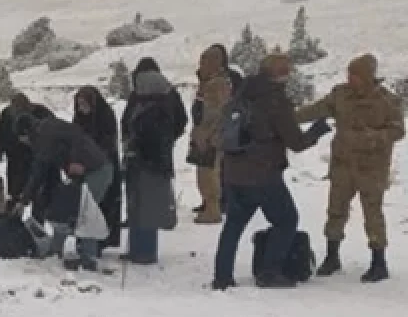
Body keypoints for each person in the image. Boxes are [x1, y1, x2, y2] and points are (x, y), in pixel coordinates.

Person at [213, 54, 330, 290]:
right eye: (286, 69)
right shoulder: (275, 100)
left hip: (234, 171)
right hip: (263, 173)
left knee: (234, 224)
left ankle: (222, 276)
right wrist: (318, 130)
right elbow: (295, 141)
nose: (289, 73)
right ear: (278, 73)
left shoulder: (241, 94)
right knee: (286, 220)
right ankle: (270, 271)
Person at [295, 54, 405, 283]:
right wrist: (288, 118)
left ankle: (378, 261)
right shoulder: (340, 95)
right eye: (349, 74)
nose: (350, 79)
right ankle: (332, 256)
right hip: (343, 165)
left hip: (371, 168)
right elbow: (316, 110)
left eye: (355, 75)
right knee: (335, 211)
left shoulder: (387, 101)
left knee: (372, 214)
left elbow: (398, 131)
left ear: (367, 77)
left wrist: (373, 138)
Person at [12, 114, 113, 271]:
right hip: (86, 171)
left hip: (97, 171)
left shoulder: (44, 136)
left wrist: (75, 160)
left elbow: (39, 171)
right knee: (68, 210)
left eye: (22, 139)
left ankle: (88, 257)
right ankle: (58, 251)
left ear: (27, 132)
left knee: (86, 212)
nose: (24, 143)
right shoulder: (47, 128)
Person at [120, 67, 185, 264]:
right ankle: (136, 248)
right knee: (137, 208)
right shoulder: (147, 105)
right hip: (141, 165)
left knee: (147, 210)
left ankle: (145, 252)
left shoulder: (158, 110)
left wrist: (136, 148)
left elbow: (155, 141)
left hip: (151, 167)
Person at [188, 46, 236, 224]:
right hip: (204, 135)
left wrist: (207, 135)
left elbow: (216, 113)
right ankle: (209, 206)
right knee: (204, 174)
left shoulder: (218, 84)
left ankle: (212, 209)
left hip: (209, 138)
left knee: (209, 175)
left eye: (204, 61)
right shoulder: (209, 82)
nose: (201, 65)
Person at [71, 86, 122, 249]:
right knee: (84, 206)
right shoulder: (79, 118)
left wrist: (94, 155)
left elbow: (108, 141)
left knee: (102, 205)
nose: (81, 108)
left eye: (84, 104)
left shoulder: (105, 116)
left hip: (104, 163)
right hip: (84, 167)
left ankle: (99, 242)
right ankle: (85, 242)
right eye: (79, 104)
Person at [0, 93, 53, 216]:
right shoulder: (6, 115)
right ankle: (13, 228)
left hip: (37, 160)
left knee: (39, 199)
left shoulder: (42, 114)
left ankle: (36, 229)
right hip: (15, 162)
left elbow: (52, 141)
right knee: (14, 197)